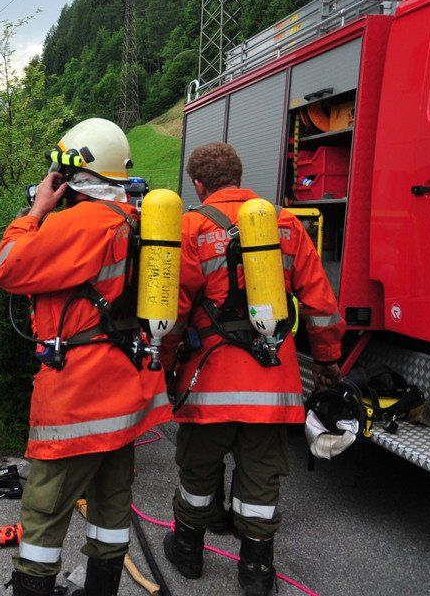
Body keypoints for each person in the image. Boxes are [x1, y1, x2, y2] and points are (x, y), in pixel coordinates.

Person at [0, 118, 172, 596]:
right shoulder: (137, 220)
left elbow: (6, 267)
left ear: (70, 175)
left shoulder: (80, 222)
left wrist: (36, 211)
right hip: (126, 392)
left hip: (78, 396)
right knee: (112, 509)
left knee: (43, 511)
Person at [159, 143, 345, 596]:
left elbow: (173, 312)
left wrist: (164, 366)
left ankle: (188, 551)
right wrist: (326, 360)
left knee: (198, 470)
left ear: (198, 184)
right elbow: (320, 303)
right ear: (240, 177)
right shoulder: (284, 224)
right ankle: (257, 571)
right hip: (271, 381)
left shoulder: (190, 228)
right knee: (261, 476)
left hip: (209, 380)